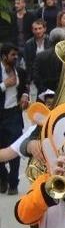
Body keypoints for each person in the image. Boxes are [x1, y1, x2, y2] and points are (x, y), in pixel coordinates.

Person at [0, 44, 28, 195]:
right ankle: (2, 178)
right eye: (12, 55)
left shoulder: (20, 72)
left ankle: (13, 183)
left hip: (14, 116)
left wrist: (25, 95)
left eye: (16, 55)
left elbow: (25, 87)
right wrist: (4, 85)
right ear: (4, 57)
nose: (15, 58)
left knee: (15, 149)